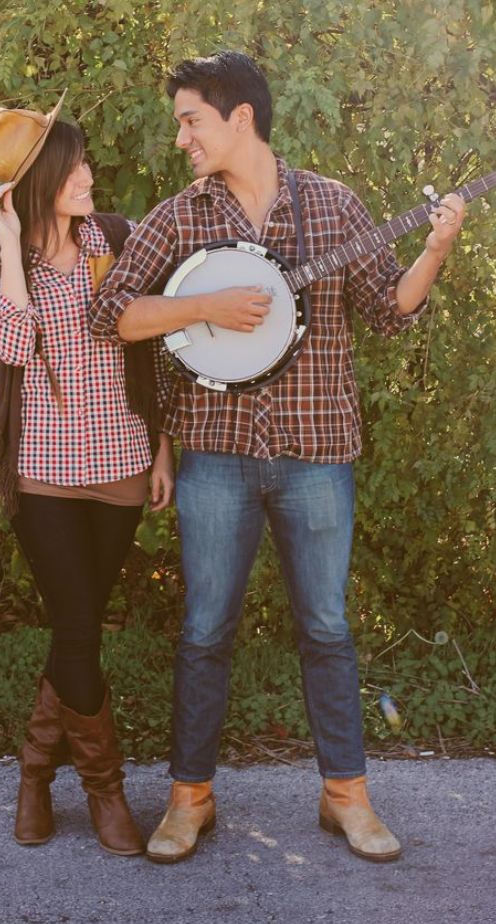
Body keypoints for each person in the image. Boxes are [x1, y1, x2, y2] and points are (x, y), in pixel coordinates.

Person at [89, 51, 466, 864]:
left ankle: (346, 799)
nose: (181, 136)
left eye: (191, 118)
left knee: (326, 628)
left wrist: (435, 248)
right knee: (202, 631)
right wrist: (204, 306)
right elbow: (111, 313)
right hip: (216, 456)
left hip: (317, 452)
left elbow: (389, 311)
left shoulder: (333, 207)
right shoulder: (182, 217)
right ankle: (190, 801)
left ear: (240, 119)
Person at [0, 92, 174, 856]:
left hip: (121, 461)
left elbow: (151, 347)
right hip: (45, 472)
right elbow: (18, 348)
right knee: (78, 625)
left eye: (85, 160)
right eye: (75, 163)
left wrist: (163, 446)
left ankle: (33, 774)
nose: (88, 172)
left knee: (77, 629)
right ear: (41, 177)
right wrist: (12, 242)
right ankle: (105, 791)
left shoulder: (114, 238)